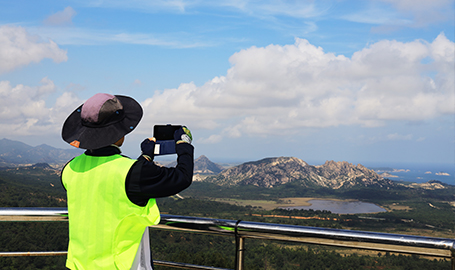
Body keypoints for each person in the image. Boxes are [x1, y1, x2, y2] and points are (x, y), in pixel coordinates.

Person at [60, 93, 194, 270]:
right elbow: (182, 177)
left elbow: (110, 181)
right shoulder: (132, 172)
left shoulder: (70, 169)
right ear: (119, 132)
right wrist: (184, 144)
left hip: (78, 265)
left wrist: (146, 157)